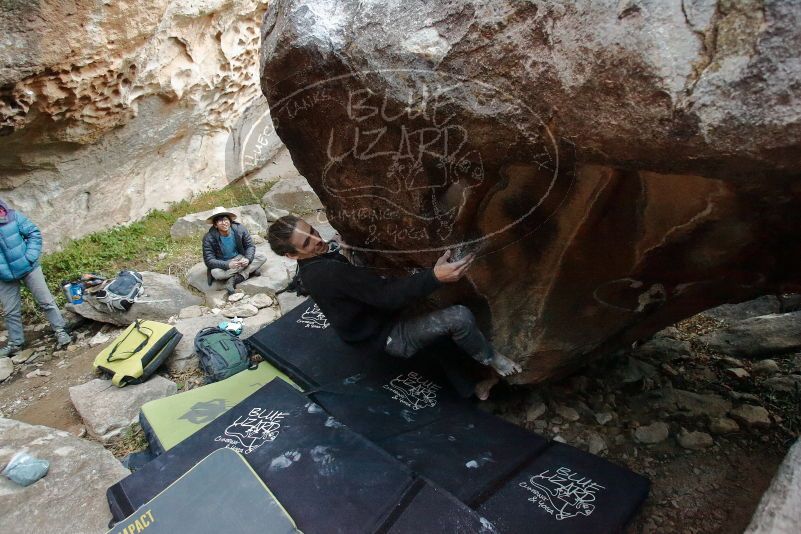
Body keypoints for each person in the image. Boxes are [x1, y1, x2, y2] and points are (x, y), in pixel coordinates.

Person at [267, 215, 522, 400]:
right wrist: (435, 276)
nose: (317, 239)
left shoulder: (312, 267)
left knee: (437, 334)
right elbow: (386, 296)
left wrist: (340, 254)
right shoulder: (327, 274)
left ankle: (474, 386)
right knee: (459, 317)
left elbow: (350, 281)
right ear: (292, 255)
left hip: (367, 328)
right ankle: (492, 359)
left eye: (312, 230)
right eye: (306, 242)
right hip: (386, 335)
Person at [0, 199, 71, 357]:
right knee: (11, 311)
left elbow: (34, 233)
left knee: (46, 301)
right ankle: (16, 343)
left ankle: (60, 330)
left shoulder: (12, 217)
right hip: (4, 275)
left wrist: (30, 257)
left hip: (29, 267)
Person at [202, 206, 268, 294]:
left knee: (262, 257)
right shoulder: (208, 238)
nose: (224, 223)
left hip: (240, 257)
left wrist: (247, 259)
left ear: (230, 221)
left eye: (226, 219)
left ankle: (234, 279)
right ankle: (249, 271)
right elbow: (209, 261)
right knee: (216, 273)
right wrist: (227, 265)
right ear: (215, 225)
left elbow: (250, 246)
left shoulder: (240, 229)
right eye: (220, 221)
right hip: (224, 264)